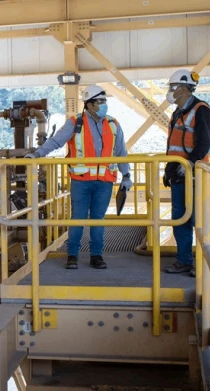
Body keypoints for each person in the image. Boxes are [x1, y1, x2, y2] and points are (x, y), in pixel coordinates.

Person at [27, 85, 131, 270]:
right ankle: (72, 255)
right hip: (81, 181)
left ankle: (96, 256)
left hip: (105, 181)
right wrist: (37, 154)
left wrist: (126, 175)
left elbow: (121, 151)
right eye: (100, 102)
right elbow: (56, 141)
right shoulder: (75, 123)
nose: (104, 105)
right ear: (89, 105)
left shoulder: (113, 124)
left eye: (104, 101)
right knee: (78, 218)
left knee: (98, 219)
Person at [163, 69, 210, 275]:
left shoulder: (201, 110)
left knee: (199, 221)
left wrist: (190, 165)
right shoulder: (177, 113)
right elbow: (173, 146)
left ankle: (205, 264)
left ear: (184, 89)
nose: (171, 92)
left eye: (173, 88)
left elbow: (205, 143)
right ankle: (184, 261)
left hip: (195, 175)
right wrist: (169, 170)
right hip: (178, 175)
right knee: (179, 219)